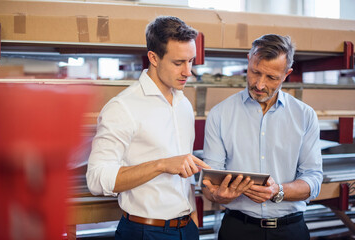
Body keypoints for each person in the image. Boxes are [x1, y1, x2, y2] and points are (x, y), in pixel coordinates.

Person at [86, 16, 210, 240]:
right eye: (178, 62)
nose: (188, 71)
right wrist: (161, 164)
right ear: (153, 57)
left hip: (187, 228)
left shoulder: (183, 103)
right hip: (145, 231)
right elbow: (96, 179)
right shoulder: (122, 107)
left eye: (191, 61)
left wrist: (192, 217)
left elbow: (185, 170)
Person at [201, 34, 323, 240]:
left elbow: (313, 179)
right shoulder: (220, 114)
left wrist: (279, 190)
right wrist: (217, 195)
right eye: (255, 72)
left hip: (290, 230)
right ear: (248, 60)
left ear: (286, 74)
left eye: (271, 78)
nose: (259, 84)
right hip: (238, 229)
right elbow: (209, 182)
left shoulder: (305, 115)